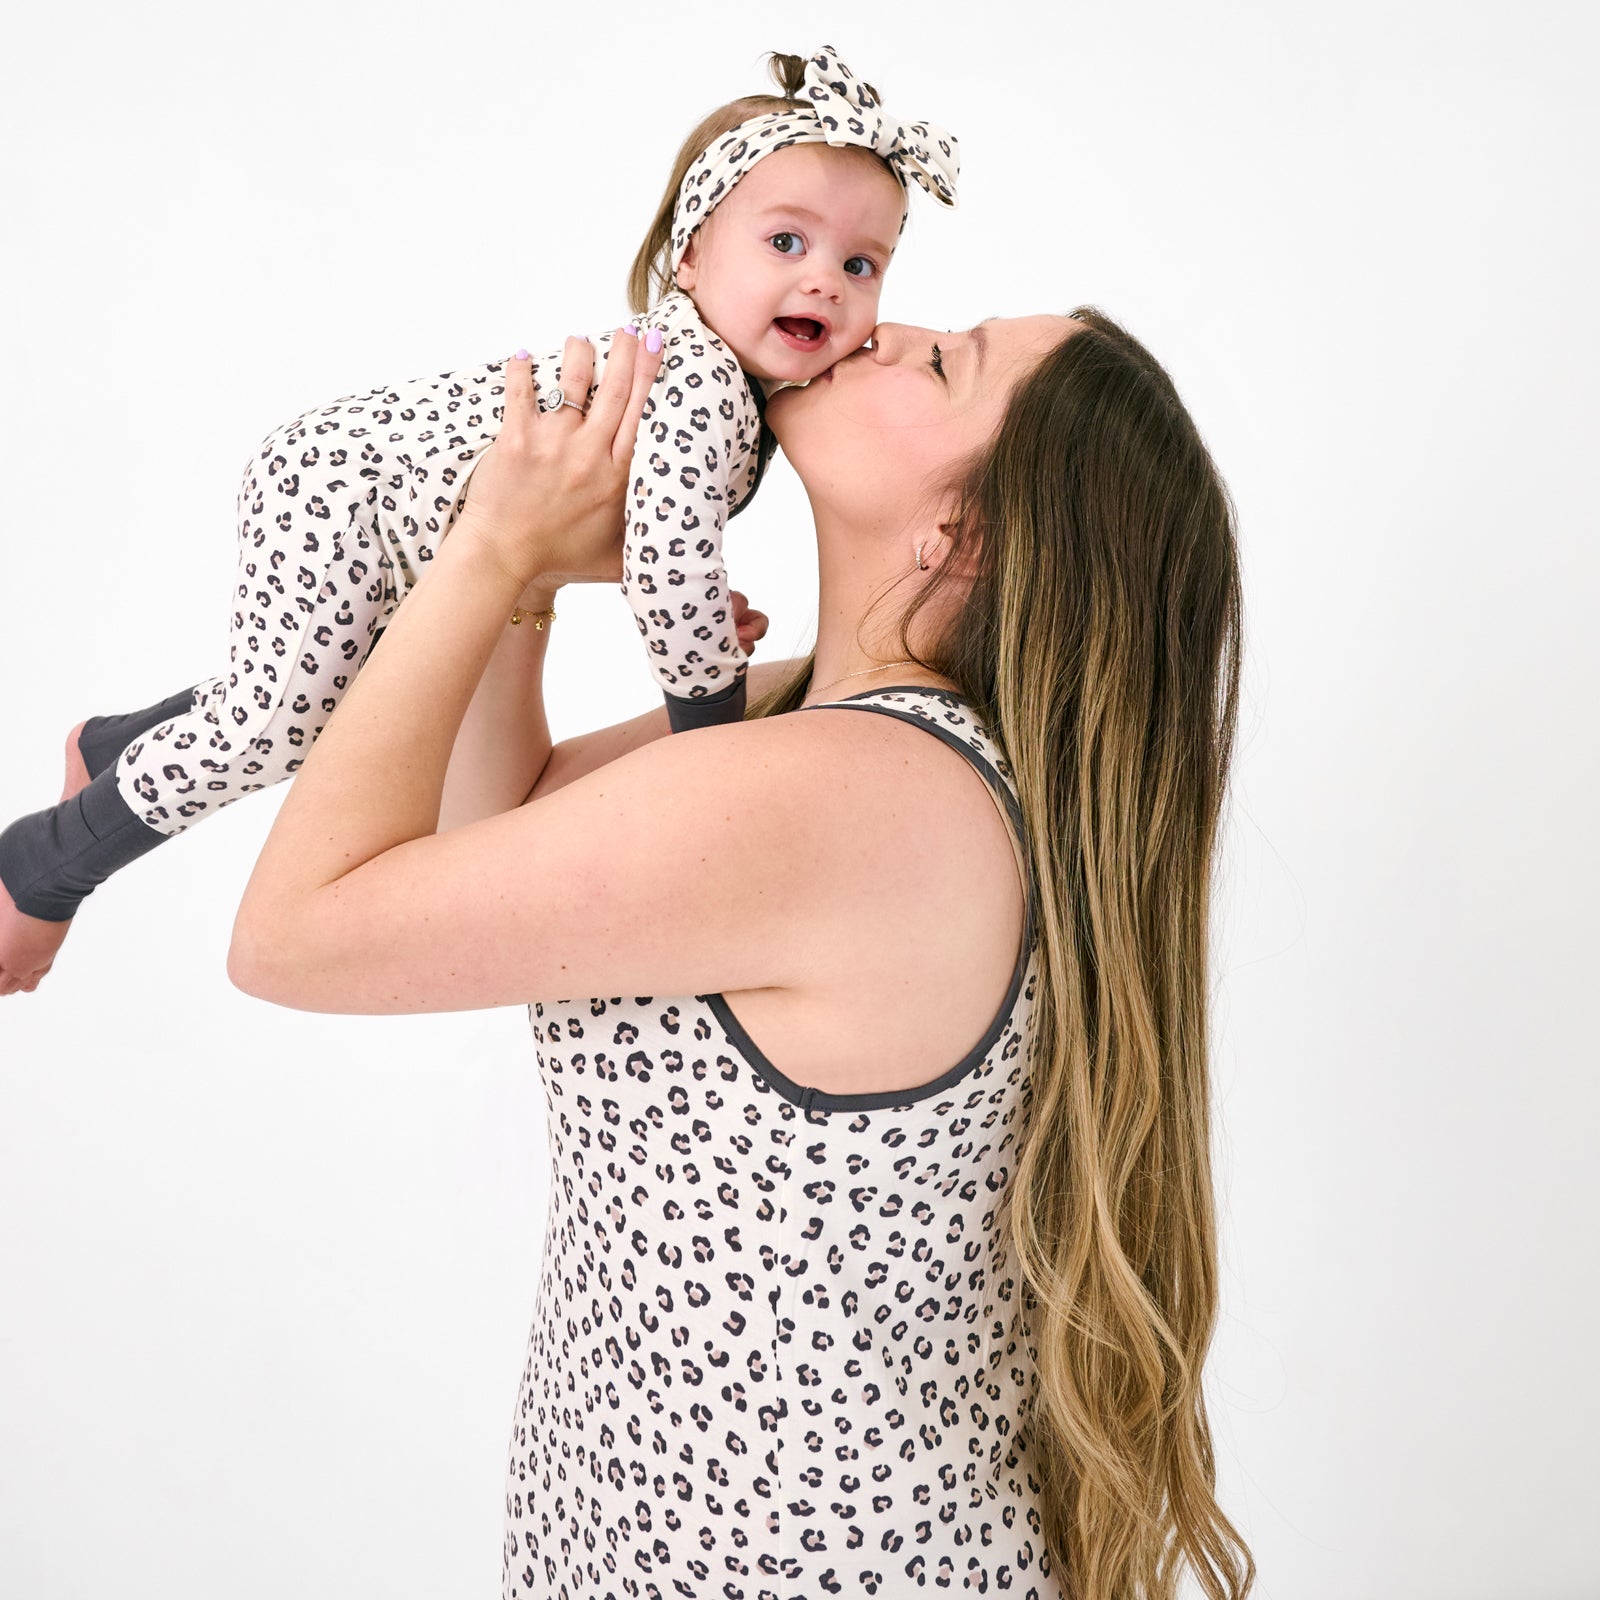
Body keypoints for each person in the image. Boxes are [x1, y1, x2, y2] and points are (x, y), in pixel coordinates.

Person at [227, 300, 1258, 1598]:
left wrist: (486, 549)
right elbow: (493, 839)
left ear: (962, 534)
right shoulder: (809, 730)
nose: (886, 327)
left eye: (945, 364)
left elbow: (297, 934)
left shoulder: (848, 790)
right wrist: (527, 575)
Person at [0, 44, 959, 995]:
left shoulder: (726, 383)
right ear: (692, 252)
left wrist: (700, 610)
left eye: (861, 263)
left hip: (367, 492)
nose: (825, 281)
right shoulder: (705, 381)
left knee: (323, 699)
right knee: (278, 727)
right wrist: (711, 730)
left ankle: (111, 748)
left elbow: (662, 552)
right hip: (351, 491)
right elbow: (668, 570)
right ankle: (40, 870)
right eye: (786, 243)